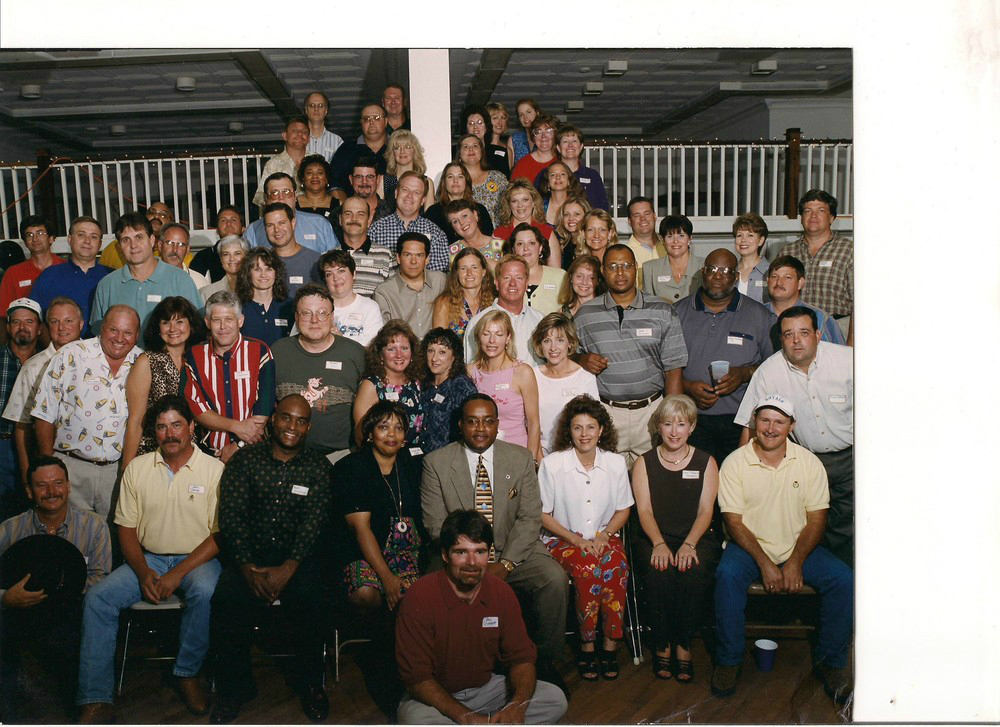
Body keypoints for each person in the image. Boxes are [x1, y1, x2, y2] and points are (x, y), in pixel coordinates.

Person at [76, 395, 223, 723]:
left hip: (196, 560)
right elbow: (126, 530)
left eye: (176, 425)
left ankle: (187, 674)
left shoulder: (214, 470)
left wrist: (177, 574)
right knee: (98, 599)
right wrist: (143, 573)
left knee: (207, 591)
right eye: (161, 427)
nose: (170, 434)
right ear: (153, 432)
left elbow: (219, 536)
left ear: (191, 427)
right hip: (150, 559)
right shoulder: (138, 468)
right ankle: (95, 697)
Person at [711, 394, 853, 706]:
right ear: (753, 422)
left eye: (779, 421)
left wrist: (795, 561)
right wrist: (765, 563)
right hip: (749, 547)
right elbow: (733, 521)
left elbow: (817, 518)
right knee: (726, 575)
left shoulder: (809, 462)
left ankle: (833, 663)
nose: (771, 428)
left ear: (792, 426)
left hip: (797, 546)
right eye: (764, 420)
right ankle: (729, 660)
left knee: (843, 579)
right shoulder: (735, 462)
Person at [209, 394, 334, 724]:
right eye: (286, 418)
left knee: (314, 597)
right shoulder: (245, 461)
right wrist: (246, 567)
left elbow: (315, 522)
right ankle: (235, 688)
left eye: (301, 421)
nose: (292, 426)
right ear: (274, 419)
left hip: (298, 559)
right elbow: (231, 517)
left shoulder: (318, 467)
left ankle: (311, 684)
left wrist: (290, 567)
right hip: (249, 557)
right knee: (226, 599)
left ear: (308, 427)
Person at [421, 395, 569, 672]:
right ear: (460, 425)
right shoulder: (436, 463)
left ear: (497, 424)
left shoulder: (520, 458)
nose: (481, 429)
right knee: (432, 587)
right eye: (473, 422)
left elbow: (529, 517)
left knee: (554, 579)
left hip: (513, 549)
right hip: (460, 553)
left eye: (488, 421)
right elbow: (436, 524)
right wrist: (472, 560)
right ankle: (453, 666)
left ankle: (544, 664)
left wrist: (506, 563)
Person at [395, 509, 568, 725]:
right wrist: (466, 717)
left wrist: (517, 706)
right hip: (435, 697)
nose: (472, 562)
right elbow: (417, 679)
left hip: (486, 690)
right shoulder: (419, 596)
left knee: (554, 699)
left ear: (489, 554)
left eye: (480, 552)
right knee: (416, 721)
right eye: (461, 552)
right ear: (445, 555)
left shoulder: (501, 592)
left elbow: (521, 658)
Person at [734, 306, 854, 566]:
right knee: (806, 527)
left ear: (818, 334)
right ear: (781, 339)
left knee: (851, 531)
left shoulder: (848, 361)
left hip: (852, 459)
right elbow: (750, 427)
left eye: (804, 333)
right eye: (789, 334)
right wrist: (742, 474)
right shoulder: (769, 371)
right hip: (805, 461)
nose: (796, 340)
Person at [0, 455, 111, 722]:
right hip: (18, 612)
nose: (52, 491)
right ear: (29, 491)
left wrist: (61, 591)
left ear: (69, 487)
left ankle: (88, 707)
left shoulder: (94, 526)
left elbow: (101, 579)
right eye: (42, 485)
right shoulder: (9, 529)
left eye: (58, 483)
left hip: (70, 612)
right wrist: (6, 598)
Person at [538, 395, 632, 681]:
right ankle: (587, 644)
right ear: (569, 431)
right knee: (589, 568)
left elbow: (623, 509)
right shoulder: (553, 464)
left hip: (604, 535)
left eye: (590, 427)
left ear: (601, 430)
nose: (584, 434)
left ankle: (610, 645)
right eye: (577, 428)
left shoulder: (615, 463)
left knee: (616, 567)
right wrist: (576, 540)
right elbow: (543, 515)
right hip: (563, 539)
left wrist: (605, 535)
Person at [630, 394, 721, 683]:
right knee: (659, 572)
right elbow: (644, 510)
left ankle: (683, 643)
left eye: (681, 424)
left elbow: (706, 510)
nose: (673, 431)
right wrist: (658, 543)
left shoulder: (706, 462)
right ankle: (662, 643)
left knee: (692, 570)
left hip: (696, 537)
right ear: (658, 426)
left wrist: (689, 544)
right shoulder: (643, 463)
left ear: (691, 427)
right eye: (667, 424)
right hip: (654, 536)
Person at [574, 244, 687, 464]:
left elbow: (674, 368)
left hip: (651, 413)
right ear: (603, 271)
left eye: (626, 265)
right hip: (605, 412)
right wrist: (581, 359)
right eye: (613, 266)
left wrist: (671, 417)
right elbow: (567, 357)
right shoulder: (585, 315)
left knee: (651, 478)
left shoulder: (662, 310)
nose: (620, 272)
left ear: (636, 268)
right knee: (606, 479)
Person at [31, 305, 141, 520]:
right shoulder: (71, 354)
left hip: (117, 472)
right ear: (102, 328)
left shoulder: (143, 361)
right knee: (68, 534)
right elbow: (44, 413)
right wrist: (50, 467)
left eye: (128, 332)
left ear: (137, 335)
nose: (119, 338)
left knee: (112, 537)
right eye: (113, 330)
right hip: (71, 467)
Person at [674, 248, 775, 468]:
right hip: (689, 419)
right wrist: (687, 386)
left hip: (741, 420)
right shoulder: (677, 313)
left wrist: (744, 373)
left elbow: (774, 368)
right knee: (697, 480)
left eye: (726, 271)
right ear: (703, 273)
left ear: (736, 277)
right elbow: (662, 367)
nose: (718, 276)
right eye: (712, 269)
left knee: (735, 481)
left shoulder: (759, 316)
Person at [337, 400, 425, 614]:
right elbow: (361, 528)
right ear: (370, 433)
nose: (392, 434)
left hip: (408, 555)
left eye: (398, 428)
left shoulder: (414, 464)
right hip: (364, 553)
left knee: (416, 597)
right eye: (383, 427)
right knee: (365, 594)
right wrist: (387, 578)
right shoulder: (352, 467)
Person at [270, 284, 365, 458]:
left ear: (332, 317)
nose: (314, 320)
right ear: (296, 317)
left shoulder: (355, 353)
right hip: (286, 455)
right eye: (306, 313)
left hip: (340, 455)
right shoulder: (278, 352)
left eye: (322, 313)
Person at [181, 291, 275, 462]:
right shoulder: (194, 356)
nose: (223, 327)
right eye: (216, 320)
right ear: (207, 322)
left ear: (240, 321)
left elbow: (264, 408)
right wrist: (236, 426)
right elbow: (197, 409)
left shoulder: (260, 351)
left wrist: (237, 446)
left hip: (253, 453)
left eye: (229, 319)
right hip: (210, 454)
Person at [2, 298, 84, 488]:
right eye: (55, 322)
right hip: (47, 459)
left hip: (87, 462)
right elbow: (21, 425)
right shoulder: (33, 366)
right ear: (47, 327)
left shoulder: (97, 359)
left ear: (81, 324)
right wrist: (26, 473)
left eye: (68, 321)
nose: (61, 328)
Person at [122, 296, 206, 468]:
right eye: (166, 322)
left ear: (191, 325)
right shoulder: (147, 361)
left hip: (192, 454)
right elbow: (136, 421)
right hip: (153, 454)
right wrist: (127, 468)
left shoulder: (199, 360)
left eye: (180, 322)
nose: (173, 329)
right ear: (158, 328)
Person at [90, 212, 203, 334]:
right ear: (119, 247)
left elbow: (197, 327)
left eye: (139, 237)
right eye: (126, 240)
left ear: (152, 240)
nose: (133, 245)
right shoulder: (107, 285)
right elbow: (99, 333)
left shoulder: (180, 279)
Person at [777, 189, 853, 345]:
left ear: (831, 217)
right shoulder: (787, 252)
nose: (813, 216)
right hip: (795, 332)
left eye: (821, 211)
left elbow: (861, 303)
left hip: (838, 330)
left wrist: (851, 344)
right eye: (807, 211)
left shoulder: (849, 251)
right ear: (801, 218)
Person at [467, 310, 541, 461]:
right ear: (479, 337)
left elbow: (534, 423)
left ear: (508, 338)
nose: (492, 341)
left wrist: (530, 462)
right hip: (479, 457)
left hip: (515, 455)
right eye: (486, 334)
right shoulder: (470, 371)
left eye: (499, 335)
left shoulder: (522, 372)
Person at [30, 215, 111, 337]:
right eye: (81, 235)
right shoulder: (49, 276)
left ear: (100, 244)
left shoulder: (112, 277)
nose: (87, 241)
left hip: (104, 347)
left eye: (93, 237)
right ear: (69, 239)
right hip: (60, 347)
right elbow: (36, 320)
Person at [530, 312, 599, 455]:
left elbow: (592, 423)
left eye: (560, 340)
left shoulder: (585, 378)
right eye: (547, 341)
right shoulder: (532, 376)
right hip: (540, 453)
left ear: (570, 343)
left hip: (575, 454)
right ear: (540, 345)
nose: (553, 347)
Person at [352, 320, 424, 447]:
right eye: (392, 349)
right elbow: (360, 436)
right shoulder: (371, 386)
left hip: (414, 455)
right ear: (380, 355)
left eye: (404, 348)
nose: (399, 355)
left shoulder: (416, 382)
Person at [464, 254, 544, 366]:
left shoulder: (540, 320)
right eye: (507, 278)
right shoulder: (477, 322)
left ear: (527, 284)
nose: (512, 283)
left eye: (519, 278)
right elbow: (471, 368)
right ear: (497, 283)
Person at [0, 298, 42, 507]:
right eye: (16, 322)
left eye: (29, 321)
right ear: (8, 327)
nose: (22, 327)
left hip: (33, 446)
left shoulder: (48, 362)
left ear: (40, 328)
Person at [369, 171, 450, 272]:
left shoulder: (436, 235)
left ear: (423, 200)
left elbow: (438, 275)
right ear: (396, 193)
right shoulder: (376, 230)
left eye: (416, 192)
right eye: (405, 190)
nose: (409, 196)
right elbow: (370, 270)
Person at [373, 232, 447, 339]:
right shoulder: (384, 292)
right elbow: (384, 335)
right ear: (398, 258)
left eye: (419, 255)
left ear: (427, 259)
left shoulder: (441, 281)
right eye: (407, 255)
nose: (413, 261)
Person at [763, 255, 845, 351]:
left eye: (787, 277)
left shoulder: (820, 318)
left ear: (800, 283)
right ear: (768, 281)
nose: (779, 283)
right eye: (774, 277)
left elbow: (839, 354)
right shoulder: (756, 314)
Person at [244, 173, 339, 255]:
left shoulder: (319, 223)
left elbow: (336, 260)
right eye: (274, 193)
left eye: (286, 192)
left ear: (295, 196)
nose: (281, 198)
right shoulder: (253, 230)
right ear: (266, 199)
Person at [418, 327, 478, 454]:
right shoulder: (424, 384)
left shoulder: (462, 386)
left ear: (454, 356)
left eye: (442, 352)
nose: (434, 358)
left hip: (450, 459)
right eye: (431, 351)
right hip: (422, 458)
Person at [0, 215, 66, 316]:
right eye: (29, 235)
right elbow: (3, 313)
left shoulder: (67, 268)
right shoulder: (13, 273)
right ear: (25, 242)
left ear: (51, 238)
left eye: (40, 233)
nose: (35, 239)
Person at [259, 202, 324, 298]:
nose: (276, 229)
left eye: (281, 223)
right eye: (270, 225)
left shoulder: (315, 260)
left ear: (293, 223)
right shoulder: (261, 262)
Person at [336, 195, 397, 297]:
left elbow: (394, 297)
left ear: (369, 220)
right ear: (340, 220)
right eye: (348, 214)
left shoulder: (386, 256)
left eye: (360, 214)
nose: (354, 219)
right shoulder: (330, 257)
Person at [431, 246, 497, 340]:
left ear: (483, 272)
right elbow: (438, 342)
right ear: (457, 273)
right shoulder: (445, 303)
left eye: (474, 267)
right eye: (463, 268)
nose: (469, 273)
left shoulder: (494, 301)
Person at [320, 249, 383, 346]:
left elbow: (374, 347)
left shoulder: (370, 307)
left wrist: (342, 340)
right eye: (329, 274)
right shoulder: (317, 306)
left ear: (353, 274)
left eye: (341, 271)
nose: (336, 278)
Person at [423, 162, 494, 244]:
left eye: (460, 176)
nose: (455, 180)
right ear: (444, 182)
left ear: (466, 181)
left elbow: (488, 241)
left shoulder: (480, 209)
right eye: (450, 177)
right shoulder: (433, 212)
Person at [236, 247, 294, 346]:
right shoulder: (238, 307)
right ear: (248, 273)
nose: (263, 275)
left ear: (276, 273)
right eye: (257, 269)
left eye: (268, 269)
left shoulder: (290, 305)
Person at [641, 214, 704, 304]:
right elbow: (648, 305)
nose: (675, 241)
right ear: (663, 240)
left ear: (689, 238)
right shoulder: (650, 268)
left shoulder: (703, 265)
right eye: (669, 236)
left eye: (681, 236)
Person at [505, 222, 566, 314]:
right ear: (513, 250)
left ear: (540, 248)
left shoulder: (560, 276)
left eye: (532, 243)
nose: (526, 248)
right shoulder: (506, 280)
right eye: (520, 244)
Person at [330, 104, 390, 196]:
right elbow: (335, 185)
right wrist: (346, 204)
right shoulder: (346, 149)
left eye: (377, 118)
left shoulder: (398, 148)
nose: (371, 122)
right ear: (361, 123)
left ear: (386, 121)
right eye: (366, 119)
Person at [252, 116, 310, 209]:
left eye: (304, 132)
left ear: (308, 138)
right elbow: (261, 198)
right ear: (285, 136)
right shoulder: (272, 164)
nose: (300, 134)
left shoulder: (316, 161)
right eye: (294, 131)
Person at [98, 202, 173, 271]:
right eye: (152, 212)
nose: (156, 216)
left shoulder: (175, 249)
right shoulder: (113, 249)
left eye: (163, 214)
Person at [552, 124, 609, 212]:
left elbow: (602, 209)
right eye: (565, 141)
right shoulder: (548, 174)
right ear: (558, 148)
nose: (570, 145)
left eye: (574, 141)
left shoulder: (592, 176)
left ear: (581, 146)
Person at [460, 133, 508, 227]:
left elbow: (510, 207)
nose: (471, 149)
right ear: (459, 154)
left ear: (482, 152)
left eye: (475, 146)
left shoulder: (498, 177)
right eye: (466, 146)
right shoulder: (454, 181)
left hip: (497, 234)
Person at [380, 130, 435, 210]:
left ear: (415, 151)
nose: (402, 151)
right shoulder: (383, 180)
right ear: (392, 152)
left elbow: (429, 214)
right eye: (397, 148)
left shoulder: (427, 182)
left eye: (407, 147)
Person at [444, 198, 505, 270]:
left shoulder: (501, 245)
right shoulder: (451, 252)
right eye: (455, 221)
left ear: (475, 215)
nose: (462, 223)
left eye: (464, 216)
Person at [190, 205, 245, 284]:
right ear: (217, 229)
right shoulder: (202, 257)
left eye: (233, 220)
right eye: (223, 220)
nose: (228, 223)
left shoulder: (251, 255)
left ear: (243, 228)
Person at [157, 222, 210, 292]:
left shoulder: (199, 282)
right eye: (169, 243)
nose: (175, 250)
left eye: (181, 244)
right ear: (160, 245)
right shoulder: (147, 278)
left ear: (187, 249)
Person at [462, 104, 509, 179]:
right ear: (466, 129)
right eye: (471, 123)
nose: (475, 127)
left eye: (480, 122)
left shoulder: (500, 152)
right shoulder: (462, 154)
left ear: (486, 127)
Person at [732, 212, 770, 303]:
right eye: (739, 235)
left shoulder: (770, 271)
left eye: (750, 235)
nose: (743, 240)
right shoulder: (730, 270)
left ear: (761, 240)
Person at [623, 196, 661, 287]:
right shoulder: (625, 253)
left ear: (654, 216)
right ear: (629, 221)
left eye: (647, 213)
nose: (643, 219)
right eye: (636, 215)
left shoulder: (670, 246)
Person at [198, 234, 249, 300]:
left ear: (246, 256)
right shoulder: (206, 293)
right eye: (226, 254)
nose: (232, 259)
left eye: (237, 253)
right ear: (221, 259)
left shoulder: (256, 288)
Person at [511, 115, 558, 183]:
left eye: (548, 131)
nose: (543, 136)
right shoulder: (523, 164)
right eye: (538, 132)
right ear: (533, 138)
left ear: (555, 135)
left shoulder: (562, 160)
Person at [538, 160, 584, 227]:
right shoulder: (539, 207)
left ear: (568, 181)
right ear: (548, 183)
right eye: (553, 175)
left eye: (562, 174)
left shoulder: (579, 206)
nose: (558, 177)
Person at [550, 196, 591, 270]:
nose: (571, 218)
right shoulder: (563, 245)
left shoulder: (591, 244)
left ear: (586, 216)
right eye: (566, 214)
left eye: (576, 214)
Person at [303, 90, 344, 162]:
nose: (316, 109)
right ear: (306, 110)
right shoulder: (298, 139)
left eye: (320, 106)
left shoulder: (337, 141)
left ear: (326, 111)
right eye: (312, 105)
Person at [295, 154, 338, 224]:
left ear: (326, 179)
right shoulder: (293, 204)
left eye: (320, 173)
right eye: (309, 173)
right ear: (303, 179)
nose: (315, 176)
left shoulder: (338, 205)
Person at [506, 98, 541, 167]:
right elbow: (510, 169)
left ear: (537, 113)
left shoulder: (546, 136)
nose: (525, 117)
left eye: (528, 112)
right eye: (521, 115)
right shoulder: (514, 139)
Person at [486, 101, 513, 178]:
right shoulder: (481, 146)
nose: (499, 122)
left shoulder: (507, 150)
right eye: (495, 118)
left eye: (503, 118)